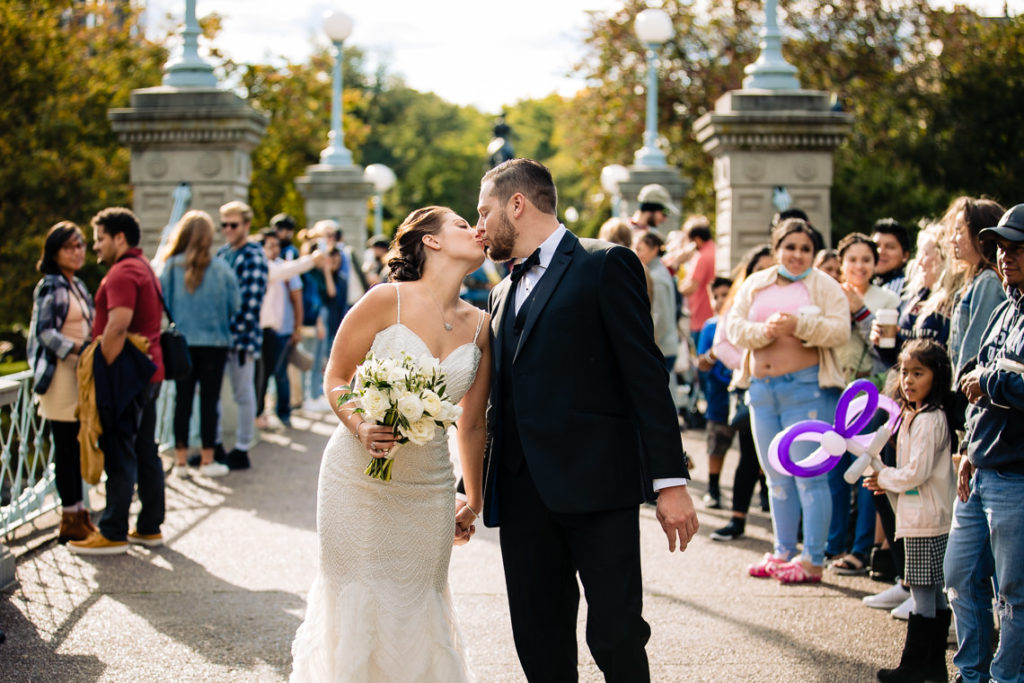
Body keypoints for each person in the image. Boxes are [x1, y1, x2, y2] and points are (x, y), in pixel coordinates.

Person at [473, 158, 697, 681]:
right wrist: (475, 488)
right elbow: (498, 401)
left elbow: (647, 378)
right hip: (523, 493)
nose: (479, 227)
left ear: (518, 203)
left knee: (616, 635)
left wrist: (670, 482)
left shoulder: (606, 263)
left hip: (599, 489)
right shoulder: (500, 292)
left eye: (484, 212)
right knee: (538, 639)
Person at [289, 207, 490, 681]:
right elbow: (336, 376)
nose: (477, 230)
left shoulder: (482, 325)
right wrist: (360, 424)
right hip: (355, 480)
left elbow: (474, 423)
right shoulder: (385, 300)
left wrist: (474, 499)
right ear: (432, 241)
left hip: (428, 488)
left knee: (420, 599)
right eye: (463, 224)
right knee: (356, 598)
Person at [727, 218, 850, 584]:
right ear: (777, 247)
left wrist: (799, 327)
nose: (797, 255)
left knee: (809, 476)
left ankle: (812, 559)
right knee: (775, 476)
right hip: (762, 392)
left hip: (807, 389)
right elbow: (733, 327)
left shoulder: (824, 285)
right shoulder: (756, 283)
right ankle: (783, 551)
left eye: (805, 249)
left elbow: (840, 330)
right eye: (790, 247)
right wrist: (764, 332)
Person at [946, 203, 1024, 683]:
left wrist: (993, 379)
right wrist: (969, 451)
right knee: (958, 579)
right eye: (1000, 247)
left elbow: (988, 380)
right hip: (982, 467)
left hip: (1017, 475)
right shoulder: (1003, 309)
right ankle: (970, 674)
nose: (1005, 257)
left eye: (1017, 249)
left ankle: (1003, 679)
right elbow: (972, 383)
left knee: (1014, 597)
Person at [69, 207, 165, 554]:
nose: (96, 247)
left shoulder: (123, 272)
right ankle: (149, 526)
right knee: (144, 449)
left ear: (119, 238)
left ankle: (112, 531)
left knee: (119, 450)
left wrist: (103, 370)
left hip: (127, 373)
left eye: (99, 239)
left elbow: (118, 324)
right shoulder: (145, 268)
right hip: (150, 370)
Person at [865, 339, 956, 682]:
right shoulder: (913, 416)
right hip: (924, 518)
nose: (908, 379)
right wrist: (885, 479)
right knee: (932, 593)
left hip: (925, 520)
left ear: (937, 376)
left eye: (919, 372)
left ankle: (915, 666)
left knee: (922, 593)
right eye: (904, 371)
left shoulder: (930, 419)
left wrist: (884, 477)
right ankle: (932, 667)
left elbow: (916, 472)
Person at [827, 233, 900, 575]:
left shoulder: (886, 298)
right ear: (841, 263)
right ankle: (834, 543)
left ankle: (861, 548)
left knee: (868, 470)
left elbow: (885, 351)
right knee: (834, 473)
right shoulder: (830, 293)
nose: (859, 266)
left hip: (872, 395)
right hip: (835, 390)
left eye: (866, 259)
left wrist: (861, 312)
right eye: (852, 259)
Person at [157, 211, 239, 479]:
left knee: (182, 401)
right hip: (215, 343)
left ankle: (180, 462)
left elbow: (164, 303)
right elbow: (233, 306)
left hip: (182, 344)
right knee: (209, 402)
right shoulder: (222, 269)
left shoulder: (169, 268)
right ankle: (206, 460)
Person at [28, 221, 96, 543]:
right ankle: (69, 518)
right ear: (55, 252)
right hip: (59, 377)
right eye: (70, 246)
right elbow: (45, 332)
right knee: (66, 448)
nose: (78, 251)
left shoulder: (78, 285)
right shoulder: (51, 285)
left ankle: (80, 512)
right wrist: (77, 350)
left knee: (77, 445)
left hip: (79, 374)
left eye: (81, 244)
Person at [710, 245, 775, 541]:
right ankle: (738, 518)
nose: (765, 274)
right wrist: (748, 365)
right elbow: (721, 344)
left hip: (791, 386)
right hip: (751, 386)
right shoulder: (738, 300)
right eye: (758, 268)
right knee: (749, 455)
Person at [215, 201, 268, 471]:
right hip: (217, 336)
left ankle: (242, 447)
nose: (227, 230)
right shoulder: (222, 254)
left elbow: (251, 304)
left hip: (241, 338)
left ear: (246, 225)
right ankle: (214, 445)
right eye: (224, 224)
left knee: (243, 393)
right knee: (211, 394)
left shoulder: (254, 256)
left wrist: (226, 332)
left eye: (233, 225)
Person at [255, 229, 321, 430]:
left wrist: (296, 327)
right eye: (269, 245)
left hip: (281, 330)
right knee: (263, 374)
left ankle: (283, 413)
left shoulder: (282, 267)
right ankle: (262, 415)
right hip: (264, 330)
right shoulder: (266, 268)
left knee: (279, 372)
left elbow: (297, 298)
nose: (274, 249)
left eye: (276, 245)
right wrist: (313, 258)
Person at [945, 197, 1007, 382]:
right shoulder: (975, 280)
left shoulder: (988, 282)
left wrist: (960, 393)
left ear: (981, 236)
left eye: (959, 231)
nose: (952, 239)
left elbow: (974, 352)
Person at [696, 276, 735, 510]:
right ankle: (713, 489)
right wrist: (715, 351)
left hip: (741, 394)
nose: (721, 301)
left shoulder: (742, 322)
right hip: (718, 395)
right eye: (716, 297)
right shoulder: (710, 327)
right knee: (716, 444)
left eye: (726, 295)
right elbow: (701, 362)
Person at [635, 230, 680, 373]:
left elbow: (661, 316)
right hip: (665, 346)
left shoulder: (656, 277)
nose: (637, 253)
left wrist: (649, 343)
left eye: (640, 249)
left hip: (662, 348)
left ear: (654, 249)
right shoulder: (659, 271)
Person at [677, 215, 716, 346]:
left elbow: (691, 286)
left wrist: (676, 289)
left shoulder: (702, 257)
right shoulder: (714, 250)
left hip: (700, 319)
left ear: (697, 239)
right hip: (709, 315)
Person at [871, 218, 912, 297]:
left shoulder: (904, 288)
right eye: (876, 246)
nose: (880, 251)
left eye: (890, 247)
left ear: (905, 256)